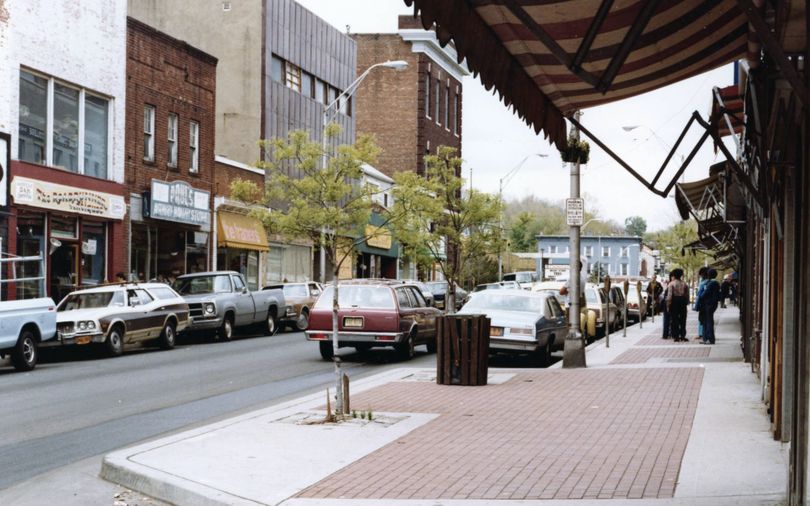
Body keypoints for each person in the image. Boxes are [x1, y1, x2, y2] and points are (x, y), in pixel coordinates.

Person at [666, 268, 689, 342]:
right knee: (683, 319)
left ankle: (676, 336)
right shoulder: (684, 283)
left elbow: (669, 296)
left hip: (674, 302)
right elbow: (687, 295)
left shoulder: (671, 284)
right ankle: (682, 335)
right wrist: (686, 302)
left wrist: (668, 305)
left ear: (674, 275)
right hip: (682, 301)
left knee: (674, 319)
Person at [701, 268, 721, 344]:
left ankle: (710, 338)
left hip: (709, 304)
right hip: (713, 304)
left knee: (709, 321)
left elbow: (704, 294)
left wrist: (701, 296)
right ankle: (708, 338)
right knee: (709, 321)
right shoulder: (716, 283)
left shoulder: (710, 283)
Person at [694, 267, 708, 341]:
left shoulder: (703, 283)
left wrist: (696, 306)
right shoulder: (708, 281)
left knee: (701, 319)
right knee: (704, 319)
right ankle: (703, 333)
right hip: (706, 304)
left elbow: (699, 295)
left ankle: (701, 334)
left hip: (703, 304)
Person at [661, 273, 674, 339]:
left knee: (667, 320)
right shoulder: (670, 285)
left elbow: (668, 297)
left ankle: (666, 334)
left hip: (668, 305)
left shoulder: (670, 285)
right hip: (669, 305)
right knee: (669, 320)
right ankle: (669, 334)